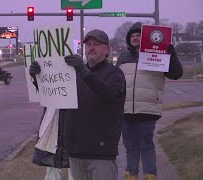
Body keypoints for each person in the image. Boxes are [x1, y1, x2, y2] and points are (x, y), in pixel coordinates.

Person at [30, 29, 126, 180]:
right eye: (88, 44)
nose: (91, 48)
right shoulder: (75, 74)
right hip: (75, 152)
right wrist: (37, 78)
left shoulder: (114, 74)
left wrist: (84, 72)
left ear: (107, 49)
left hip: (101, 152)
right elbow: (55, 98)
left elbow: (110, 95)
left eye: (96, 44)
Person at [115, 22, 183, 180]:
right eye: (132, 36)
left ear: (145, 37)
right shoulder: (123, 58)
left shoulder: (159, 55)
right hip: (125, 111)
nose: (135, 38)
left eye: (138, 35)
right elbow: (116, 81)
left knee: (146, 144)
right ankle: (131, 175)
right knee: (130, 146)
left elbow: (176, 74)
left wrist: (172, 55)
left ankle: (149, 175)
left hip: (147, 109)